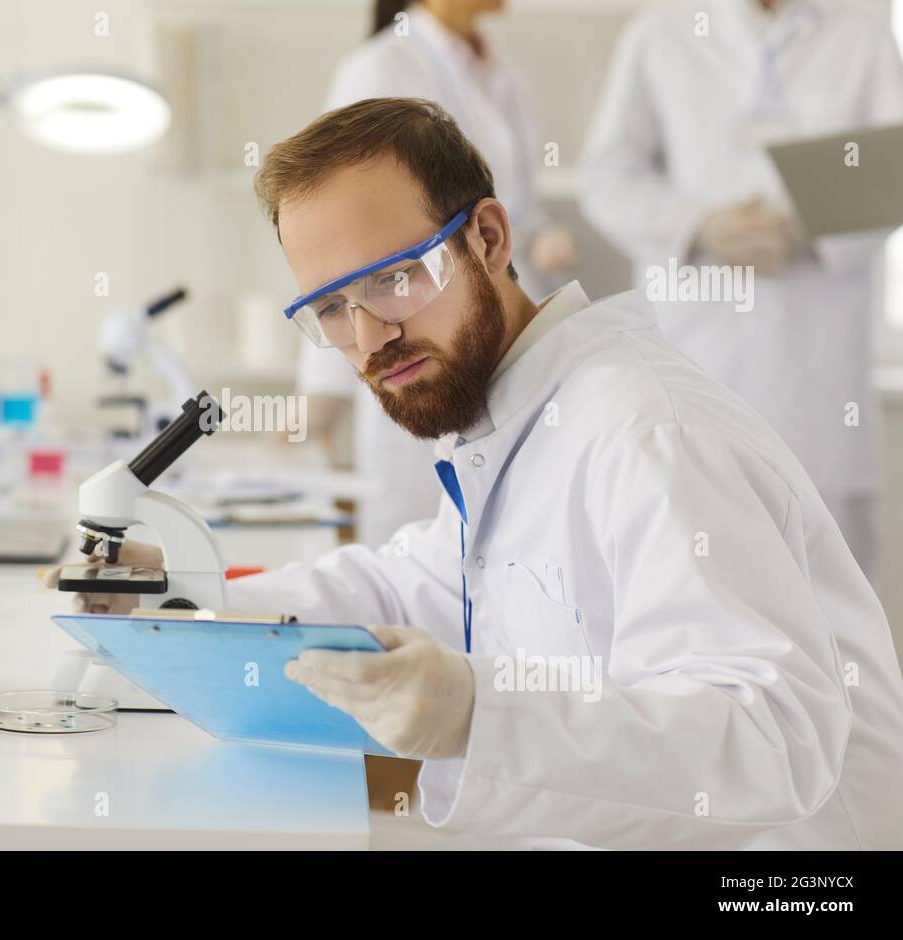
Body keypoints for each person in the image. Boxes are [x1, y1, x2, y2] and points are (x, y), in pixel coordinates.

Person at [50, 97, 903, 849]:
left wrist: (480, 711)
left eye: (393, 278)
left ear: (488, 238)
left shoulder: (646, 433)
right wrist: (187, 600)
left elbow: (772, 740)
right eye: (332, 309)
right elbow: (421, 581)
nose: (370, 336)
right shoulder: (520, 412)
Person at [580, 0, 903, 577]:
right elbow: (606, 177)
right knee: (693, 583)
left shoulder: (865, 31)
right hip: (696, 360)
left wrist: (816, 226)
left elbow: (895, 170)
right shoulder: (661, 32)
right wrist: (695, 225)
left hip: (821, 380)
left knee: (834, 606)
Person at [301, 0, 576, 546]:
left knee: (511, 540)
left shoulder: (503, 73)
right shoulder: (379, 66)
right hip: (411, 343)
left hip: (496, 329)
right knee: (422, 545)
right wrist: (321, 397)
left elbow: (517, 199)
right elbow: (341, 244)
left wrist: (542, 233)